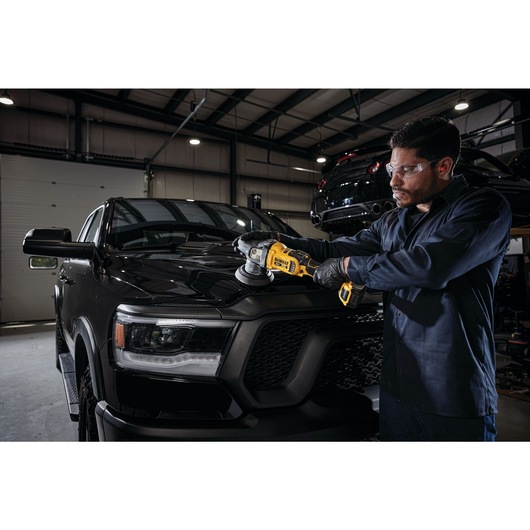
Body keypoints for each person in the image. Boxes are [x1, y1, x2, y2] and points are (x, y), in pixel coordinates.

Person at [238, 116, 512, 441]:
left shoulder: (483, 208)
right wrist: (280, 241)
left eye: (408, 170)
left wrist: (346, 268)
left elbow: (430, 265)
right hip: (397, 390)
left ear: (443, 167)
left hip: (452, 393)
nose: (394, 181)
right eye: (391, 170)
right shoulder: (392, 222)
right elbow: (336, 247)